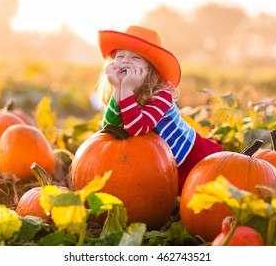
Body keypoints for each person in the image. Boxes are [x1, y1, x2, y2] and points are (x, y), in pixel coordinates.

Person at [95, 25, 222, 193]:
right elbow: (109, 128)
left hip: (190, 159)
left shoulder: (162, 95)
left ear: (151, 70)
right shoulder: (122, 90)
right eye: (120, 56)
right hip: (161, 161)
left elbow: (137, 128)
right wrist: (118, 89)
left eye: (136, 57)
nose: (125, 61)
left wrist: (125, 90)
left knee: (199, 194)